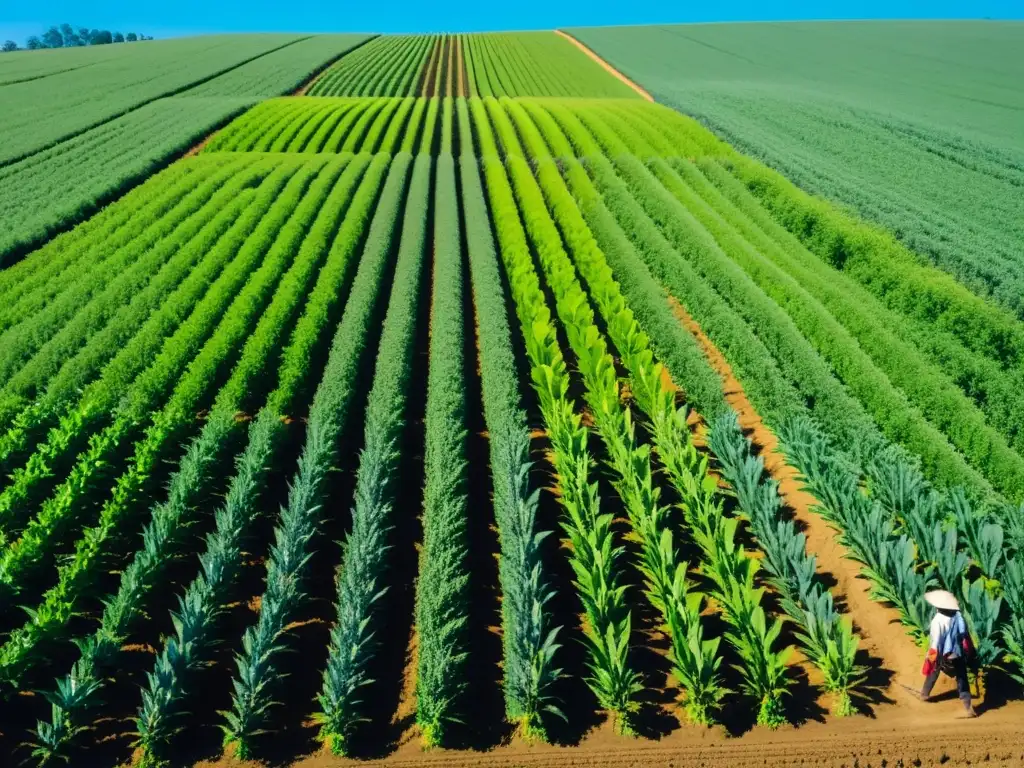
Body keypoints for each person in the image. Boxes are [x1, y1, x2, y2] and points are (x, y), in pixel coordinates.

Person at [920, 589, 978, 717]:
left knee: (934, 670)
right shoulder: (958, 617)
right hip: (958, 652)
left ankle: (924, 694)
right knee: (962, 677)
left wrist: (930, 657)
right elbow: (964, 634)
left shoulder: (937, 620)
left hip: (944, 653)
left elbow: (935, 642)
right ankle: (968, 708)